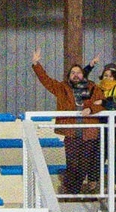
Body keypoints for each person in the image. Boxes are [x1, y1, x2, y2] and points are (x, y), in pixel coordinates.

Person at [31, 47, 104, 196]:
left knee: (84, 166)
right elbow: (46, 81)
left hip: (89, 133)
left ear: (83, 74)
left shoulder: (92, 87)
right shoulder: (62, 88)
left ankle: (73, 192)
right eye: (73, 73)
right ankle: (71, 193)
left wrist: (90, 109)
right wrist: (36, 64)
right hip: (71, 133)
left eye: (78, 72)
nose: (76, 75)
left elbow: (102, 104)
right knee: (72, 165)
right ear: (69, 76)